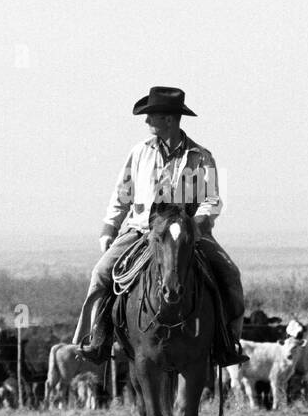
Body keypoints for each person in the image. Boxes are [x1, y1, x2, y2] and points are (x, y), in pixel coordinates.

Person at [74, 86, 246, 364]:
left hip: (188, 234)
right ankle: (97, 339)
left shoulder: (200, 156)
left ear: (168, 119)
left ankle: (227, 342)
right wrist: (110, 227)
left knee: (230, 276)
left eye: (151, 115)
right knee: (101, 273)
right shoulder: (139, 153)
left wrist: (197, 224)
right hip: (141, 231)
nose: (146, 121)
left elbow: (212, 199)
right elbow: (122, 194)